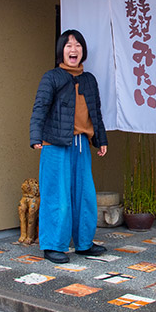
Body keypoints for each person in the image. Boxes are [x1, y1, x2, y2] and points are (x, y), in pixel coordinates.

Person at [29, 30, 108, 263]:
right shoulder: (51, 77)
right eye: (68, 45)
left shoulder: (89, 79)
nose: (73, 49)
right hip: (55, 144)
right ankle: (53, 245)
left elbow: (96, 113)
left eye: (78, 46)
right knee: (57, 196)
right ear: (61, 51)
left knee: (85, 196)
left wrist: (100, 140)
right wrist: (35, 137)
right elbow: (40, 108)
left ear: (83, 51)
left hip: (81, 144)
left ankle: (84, 243)